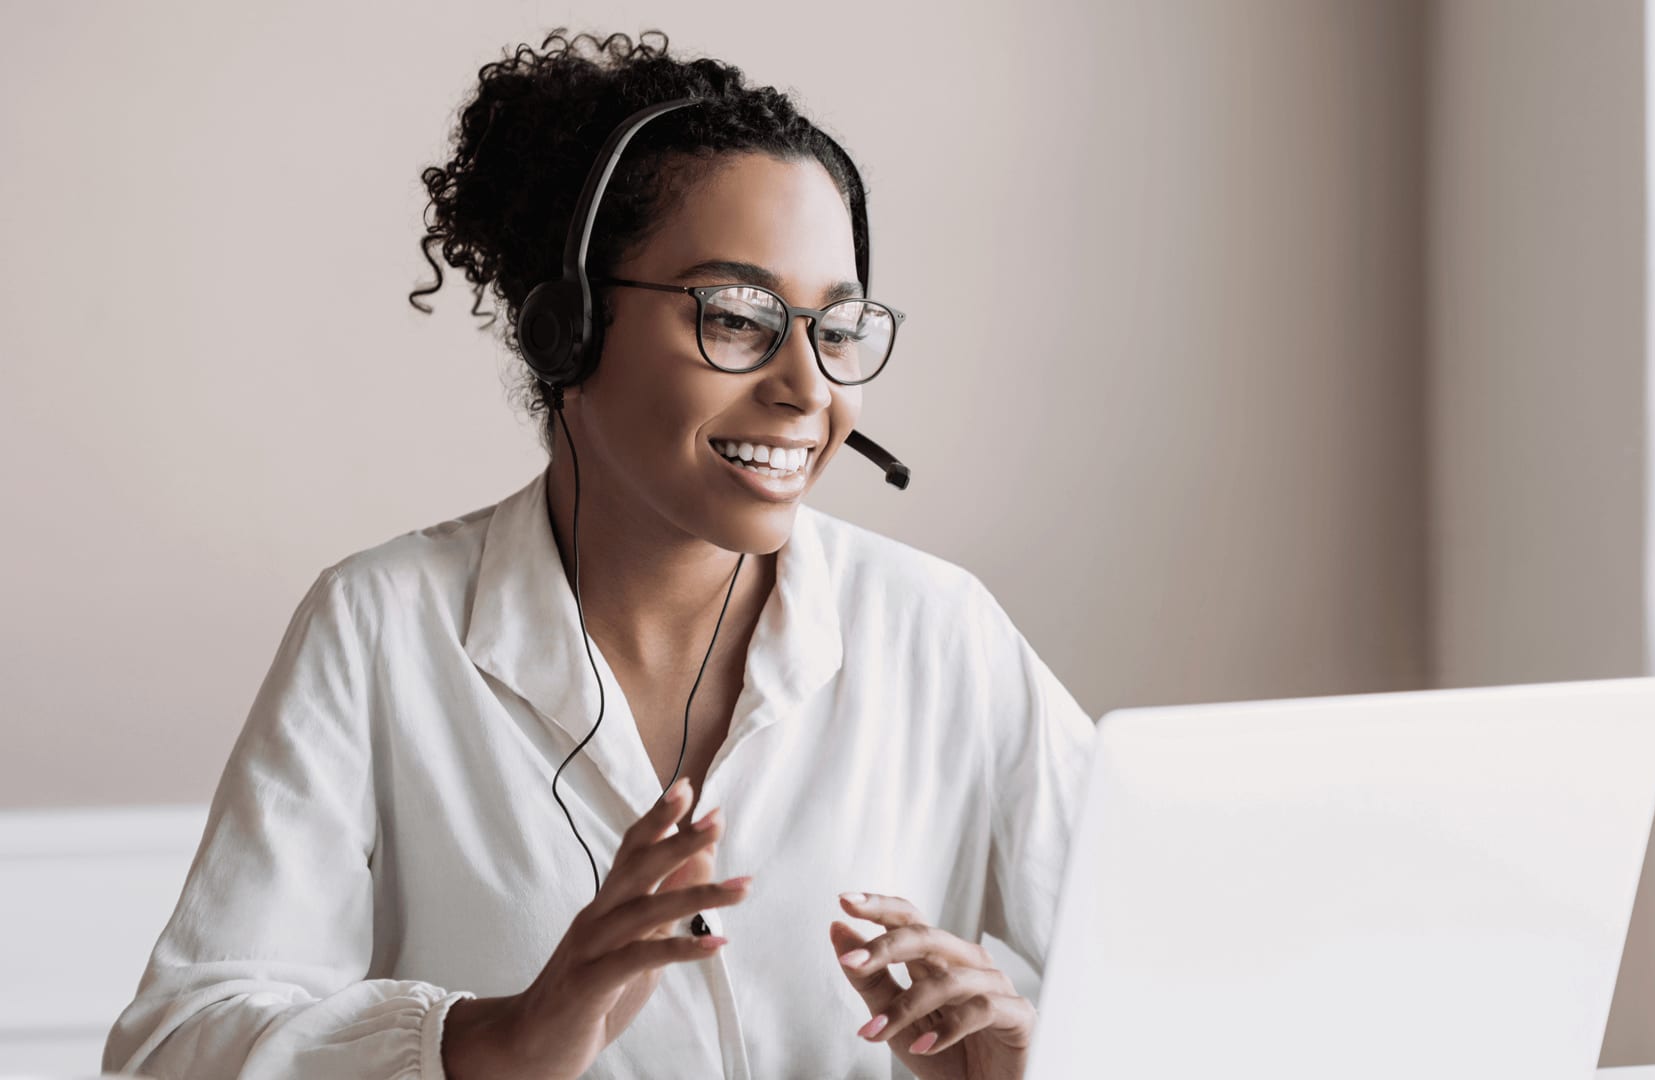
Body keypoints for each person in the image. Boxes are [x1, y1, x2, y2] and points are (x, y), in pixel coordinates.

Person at [99, 27, 1097, 1080]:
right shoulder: (382, 627)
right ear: (566, 332)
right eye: (740, 317)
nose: (809, 389)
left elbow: (1214, 991)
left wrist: (1037, 1062)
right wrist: (504, 1039)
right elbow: (174, 1050)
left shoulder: (941, 631)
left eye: (836, 326)